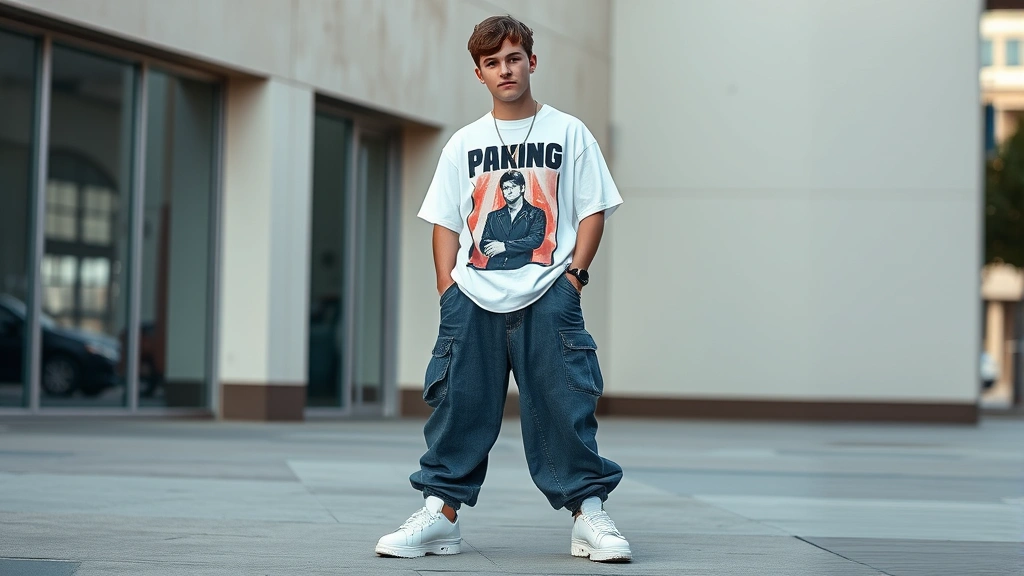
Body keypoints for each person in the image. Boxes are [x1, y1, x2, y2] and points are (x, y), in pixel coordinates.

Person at [374, 14, 630, 563]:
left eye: (514, 58)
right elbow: (446, 221)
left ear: (531, 61)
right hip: (472, 299)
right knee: (458, 407)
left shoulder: (569, 132)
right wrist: (447, 290)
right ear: (479, 73)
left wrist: (574, 278)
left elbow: (592, 210)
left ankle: (588, 515)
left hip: (549, 295)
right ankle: (440, 515)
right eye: (492, 63)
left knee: (565, 406)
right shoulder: (463, 143)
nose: (505, 70)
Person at [478, 169, 546, 270]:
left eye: (513, 187)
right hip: (492, 270)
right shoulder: (493, 216)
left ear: (522, 188)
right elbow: (484, 242)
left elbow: (535, 240)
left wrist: (505, 246)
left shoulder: (536, 213)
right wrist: (489, 247)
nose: (509, 191)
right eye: (505, 188)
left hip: (520, 271)